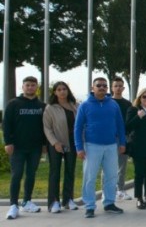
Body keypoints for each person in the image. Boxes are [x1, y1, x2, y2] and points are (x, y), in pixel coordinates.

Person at [74, 77, 126, 218]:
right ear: (93, 87)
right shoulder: (85, 105)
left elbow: (120, 125)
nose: (102, 87)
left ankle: (109, 203)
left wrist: (122, 143)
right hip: (92, 146)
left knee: (111, 176)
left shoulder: (113, 104)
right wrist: (79, 147)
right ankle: (90, 206)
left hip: (111, 146)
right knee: (90, 177)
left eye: (104, 85)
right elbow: (78, 128)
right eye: (99, 85)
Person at [4, 76, 46, 220]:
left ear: (36, 87)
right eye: (27, 85)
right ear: (23, 87)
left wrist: (44, 144)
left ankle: (27, 201)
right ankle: (13, 205)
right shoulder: (13, 104)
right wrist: (7, 142)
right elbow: (6, 124)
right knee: (16, 175)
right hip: (17, 147)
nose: (30, 87)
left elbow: (45, 127)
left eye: (33, 85)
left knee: (31, 174)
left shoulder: (42, 106)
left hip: (35, 147)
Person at [43, 81, 79, 214]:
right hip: (56, 144)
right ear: (55, 92)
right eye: (59, 89)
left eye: (64, 89)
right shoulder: (50, 108)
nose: (62, 91)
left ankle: (68, 200)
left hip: (72, 143)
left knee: (70, 171)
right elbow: (47, 128)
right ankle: (54, 202)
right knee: (55, 172)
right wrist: (55, 143)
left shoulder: (75, 106)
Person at [110, 77, 133, 201]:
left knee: (122, 166)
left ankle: (120, 189)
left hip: (123, 138)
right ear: (112, 87)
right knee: (108, 166)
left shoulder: (127, 104)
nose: (118, 88)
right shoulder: (108, 102)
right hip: (109, 138)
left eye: (120, 86)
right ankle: (107, 190)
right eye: (116, 86)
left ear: (123, 88)